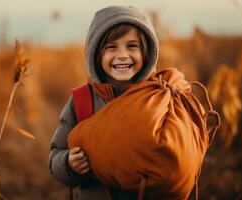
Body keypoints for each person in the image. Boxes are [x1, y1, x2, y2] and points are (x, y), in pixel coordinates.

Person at [48, 5, 159, 200]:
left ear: (146, 52)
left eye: (132, 46)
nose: (122, 54)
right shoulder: (81, 101)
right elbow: (55, 155)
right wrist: (68, 164)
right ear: (96, 54)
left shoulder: (156, 98)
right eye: (111, 47)